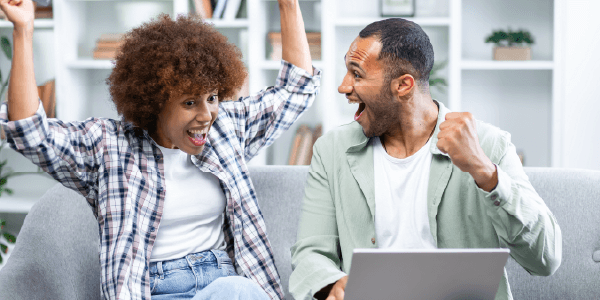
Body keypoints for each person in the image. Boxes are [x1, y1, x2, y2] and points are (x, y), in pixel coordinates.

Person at [0, 0, 319, 299]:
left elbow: (297, 89)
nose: (206, 116)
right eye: (190, 103)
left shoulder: (225, 130)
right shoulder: (109, 147)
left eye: (212, 98)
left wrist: (287, 3)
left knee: (235, 290)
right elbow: (30, 132)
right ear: (154, 103)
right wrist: (23, 31)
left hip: (224, 281)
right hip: (156, 289)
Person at [289, 18, 561, 300]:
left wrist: (485, 172)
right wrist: (333, 284)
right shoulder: (332, 150)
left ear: (404, 85)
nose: (344, 87)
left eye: (357, 74)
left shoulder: (488, 145)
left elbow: (546, 259)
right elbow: (311, 252)